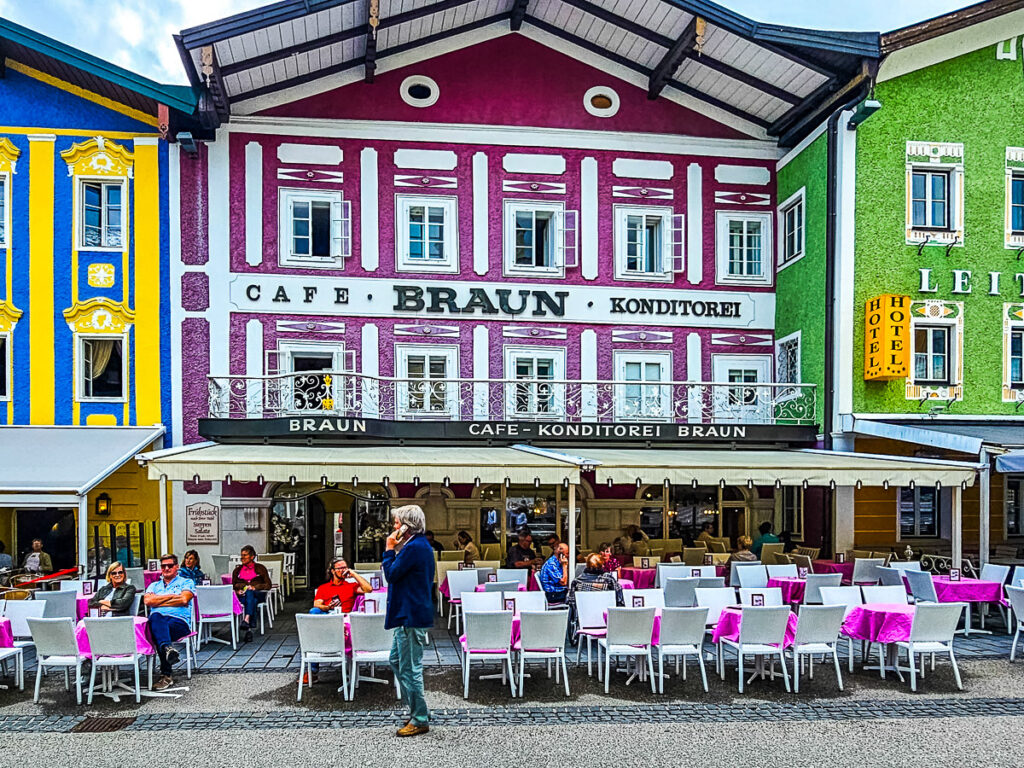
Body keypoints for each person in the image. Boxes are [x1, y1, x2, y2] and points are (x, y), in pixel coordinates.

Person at [382, 505, 435, 738]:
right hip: (408, 614)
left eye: (396, 523)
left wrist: (388, 549)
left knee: (410, 668)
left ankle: (420, 718)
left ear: (406, 525)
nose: (394, 527)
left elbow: (391, 574)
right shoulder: (416, 546)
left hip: (410, 616)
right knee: (395, 660)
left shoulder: (414, 547)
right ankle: (417, 709)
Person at [304, 557, 374, 684]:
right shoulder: (324, 588)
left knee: (314, 630)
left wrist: (353, 574)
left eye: (345, 567)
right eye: (340, 568)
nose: (343, 570)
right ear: (332, 571)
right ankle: (313, 671)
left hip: (345, 621)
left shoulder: (351, 586)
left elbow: (368, 589)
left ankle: (313, 669)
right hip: (328, 618)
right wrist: (327, 607)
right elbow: (316, 604)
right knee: (314, 613)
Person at [144, 553, 195, 691]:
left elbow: (184, 600)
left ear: (177, 567)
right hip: (159, 622)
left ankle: (166, 675)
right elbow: (148, 601)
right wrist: (173, 597)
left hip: (179, 623)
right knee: (156, 619)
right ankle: (168, 649)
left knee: (157, 627)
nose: (166, 568)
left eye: (170, 565)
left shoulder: (186, 582)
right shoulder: (154, 585)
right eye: (163, 566)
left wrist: (159, 600)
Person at [567, 552, 624, 628]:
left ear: (586, 565)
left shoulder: (577, 582)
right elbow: (620, 600)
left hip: (584, 621)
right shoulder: (609, 580)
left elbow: (571, 603)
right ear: (602, 565)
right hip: (607, 621)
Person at [231, 545, 272, 643]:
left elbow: (268, 585)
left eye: (245, 555)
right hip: (243, 596)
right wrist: (237, 591)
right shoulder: (237, 570)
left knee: (250, 592)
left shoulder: (260, 568)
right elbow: (233, 585)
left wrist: (255, 587)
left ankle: (247, 619)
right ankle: (248, 625)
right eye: (241, 555)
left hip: (259, 593)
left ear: (252, 556)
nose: (242, 558)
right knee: (252, 600)